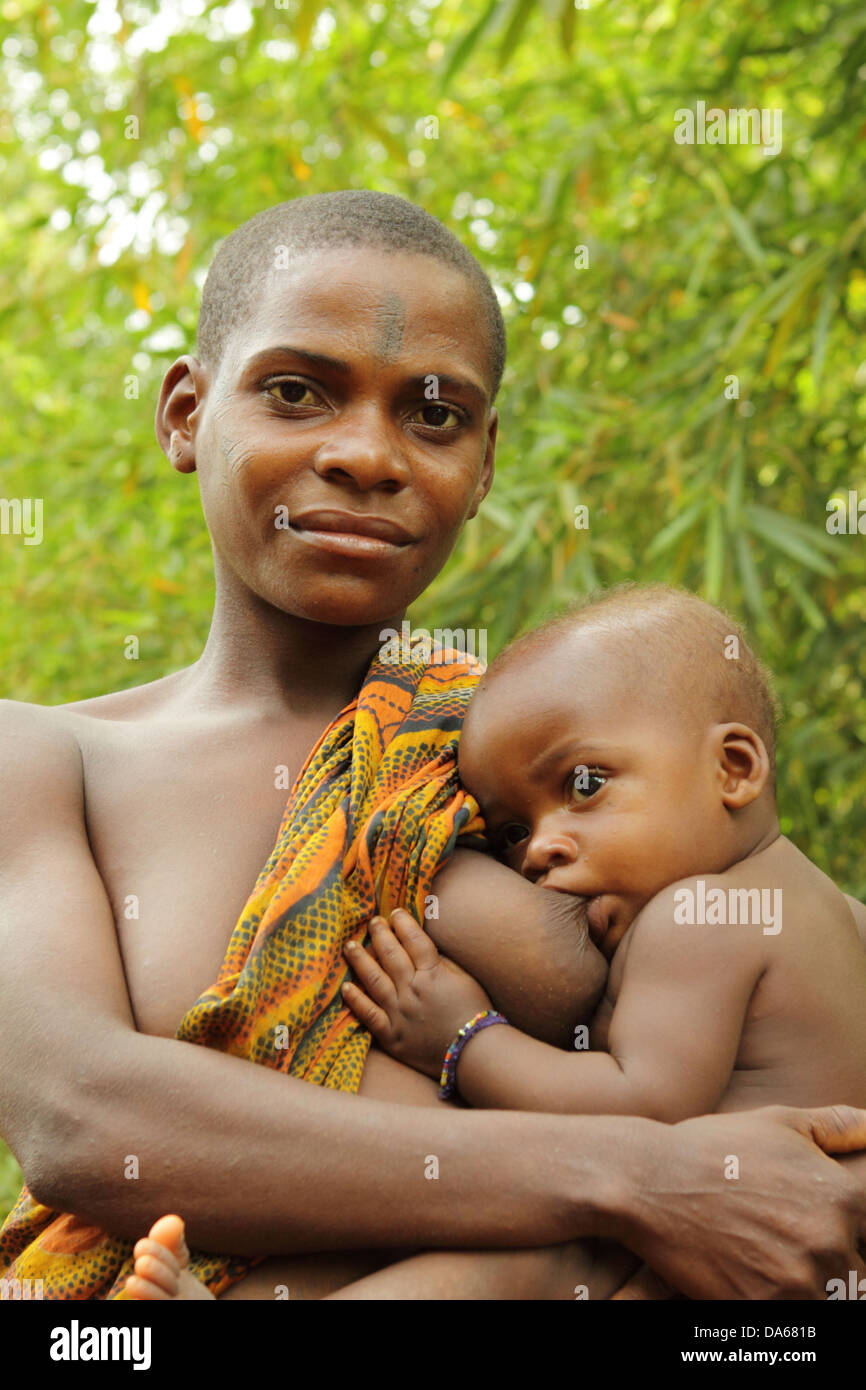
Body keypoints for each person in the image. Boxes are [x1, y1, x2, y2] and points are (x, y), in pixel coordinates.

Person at [2, 192, 866, 1303]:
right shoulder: (48, 761)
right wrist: (638, 1175)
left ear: (486, 460)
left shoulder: (550, 759)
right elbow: (82, 1115)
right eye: (296, 391)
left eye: (435, 414)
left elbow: (810, 957)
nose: (367, 455)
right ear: (184, 410)